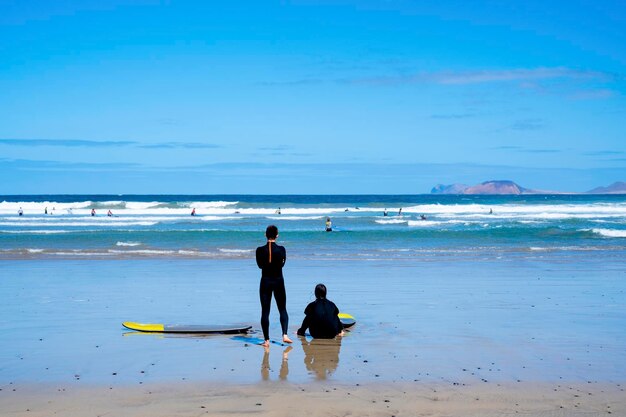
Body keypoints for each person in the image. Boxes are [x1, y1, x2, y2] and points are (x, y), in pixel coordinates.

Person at [256, 225, 292, 347]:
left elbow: (260, 266)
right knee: (282, 309)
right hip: (279, 282)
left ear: (265, 235)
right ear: (277, 235)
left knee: (265, 311)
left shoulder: (259, 250)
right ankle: (285, 335)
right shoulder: (282, 249)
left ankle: (266, 340)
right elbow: (282, 265)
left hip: (265, 282)